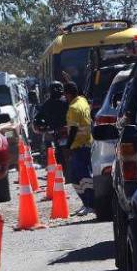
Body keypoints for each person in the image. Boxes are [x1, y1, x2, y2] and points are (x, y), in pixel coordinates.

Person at [64, 82, 95, 216]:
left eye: (65, 95)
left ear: (68, 94)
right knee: (77, 176)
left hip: (79, 146)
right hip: (87, 144)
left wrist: (68, 147)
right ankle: (87, 203)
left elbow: (74, 130)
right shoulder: (83, 101)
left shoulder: (73, 108)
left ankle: (91, 204)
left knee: (81, 176)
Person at [32, 82, 69, 165]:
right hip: (57, 132)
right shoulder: (49, 104)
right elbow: (39, 116)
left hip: (68, 131)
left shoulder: (66, 101)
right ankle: (48, 159)